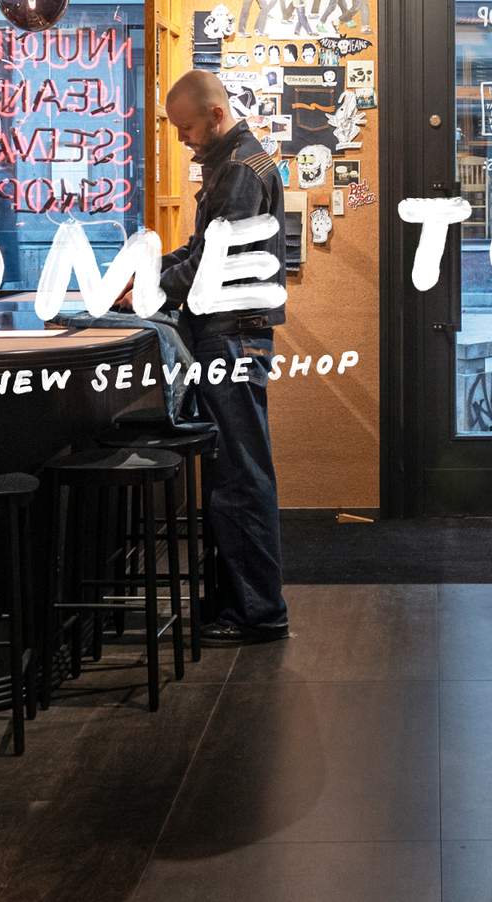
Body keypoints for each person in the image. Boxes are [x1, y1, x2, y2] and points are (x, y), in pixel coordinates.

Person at [153, 68, 291, 644]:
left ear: (215, 115)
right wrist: (150, 272)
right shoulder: (236, 162)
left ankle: (257, 613)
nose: (181, 139)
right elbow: (199, 249)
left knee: (239, 476)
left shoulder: (237, 169)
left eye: (185, 128)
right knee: (236, 473)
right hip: (234, 334)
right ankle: (238, 605)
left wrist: (150, 288)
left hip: (231, 335)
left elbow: (212, 263)